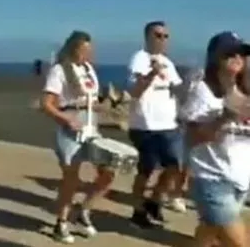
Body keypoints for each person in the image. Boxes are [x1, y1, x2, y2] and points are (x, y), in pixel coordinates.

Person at [42, 30, 115, 243]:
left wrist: (106, 105)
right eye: (83, 49)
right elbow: (46, 104)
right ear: (73, 48)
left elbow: (93, 98)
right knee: (71, 180)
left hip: (91, 129)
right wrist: (66, 119)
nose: (87, 54)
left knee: (108, 173)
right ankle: (61, 223)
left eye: (89, 50)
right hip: (69, 131)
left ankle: (84, 210)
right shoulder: (60, 70)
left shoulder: (89, 70)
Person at [181, 31, 250, 247]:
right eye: (229, 54)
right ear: (214, 59)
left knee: (209, 231)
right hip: (212, 178)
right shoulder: (203, 92)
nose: (237, 58)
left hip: (239, 179)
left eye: (241, 53)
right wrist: (225, 117)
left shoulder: (244, 90)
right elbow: (193, 138)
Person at [127, 21, 185, 228]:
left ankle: (154, 201)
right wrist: (152, 73)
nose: (162, 40)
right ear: (147, 37)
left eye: (166, 36)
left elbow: (177, 88)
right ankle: (138, 210)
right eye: (158, 35)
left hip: (169, 124)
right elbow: (135, 91)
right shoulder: (139, 59)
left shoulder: (167, 62)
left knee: (175, 167)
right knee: (147, 170)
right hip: (146, 125)